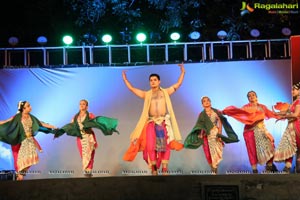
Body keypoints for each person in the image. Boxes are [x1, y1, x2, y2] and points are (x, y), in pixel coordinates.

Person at [122, 63, 185, 175]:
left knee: (165, 145)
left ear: (159, 81)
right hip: (151, 122)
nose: (153, 82)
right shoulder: (147, 94)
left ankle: (165, 168)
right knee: (150, 145)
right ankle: (154, 167)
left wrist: (183, 72)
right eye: (151, 80)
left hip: (163, 122)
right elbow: (132, 89)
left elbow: (178, 84)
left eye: (155, 80)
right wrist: (125, 79)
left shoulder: (165, 92)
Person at [54, 99, 119, 177]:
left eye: (83, 104)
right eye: (80, 104)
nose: (81, 105)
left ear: (87, 107)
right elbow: (70, 126)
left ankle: (89, 171)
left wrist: (105, 126)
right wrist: (60, 131)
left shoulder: (90, 115)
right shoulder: (75, 117)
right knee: (83, 154)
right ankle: (86, 170)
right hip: (80, 138)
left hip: (89, 137)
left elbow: (96, 123)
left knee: (90, 153)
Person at [222, 91, 279, 173]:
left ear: (256, 97)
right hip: (249, 131)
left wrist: (284, 114)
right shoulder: (245, 107)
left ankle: (269, 168)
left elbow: (271, 114)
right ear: (248, 98)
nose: (251, 97)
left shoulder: (262, 107)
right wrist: (226, 111)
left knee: (270, 145)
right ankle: (254, 170)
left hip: (261, 130)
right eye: (249, 96)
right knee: (251, 150)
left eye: (253, 95)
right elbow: (237, 111)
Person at [0, 101, 57, 180]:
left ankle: (20, 175)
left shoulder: (31, 117)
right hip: (22, 141)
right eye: (28, 106)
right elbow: (7, 122)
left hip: (30, 141)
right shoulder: (17, 117)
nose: (30, 107)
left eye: (30, 105)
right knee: (21, 160)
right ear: (23, 108)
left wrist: (52, 126)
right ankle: (19, 176)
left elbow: (40, 123)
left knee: (31, 159)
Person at [184, 96, 239, 174]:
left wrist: (219, 134)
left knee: (216, 153)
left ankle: (214, 170)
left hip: (215, 134)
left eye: (208, 100)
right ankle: (213, 171)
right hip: (206, 136)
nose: (206, 102)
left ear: (210, 102)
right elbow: (199, 125)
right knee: (208, 154)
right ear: (202, 104)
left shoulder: (216, 112)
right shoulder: (201, 114)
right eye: (204, 101)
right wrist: (200, 134)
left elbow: (220, 123)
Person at [273, 82, 300, 173]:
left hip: (296, 126)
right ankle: (288, 167)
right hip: (291, 126)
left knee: (295, 146)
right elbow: (286, 112)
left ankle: (292, 167)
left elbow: (295, 115)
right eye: (291, 89)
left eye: (294, 89)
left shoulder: (299, 101)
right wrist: (275, 113)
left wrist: (284, 117)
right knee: (289, 145)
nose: (292, 91)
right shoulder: (294, 102)